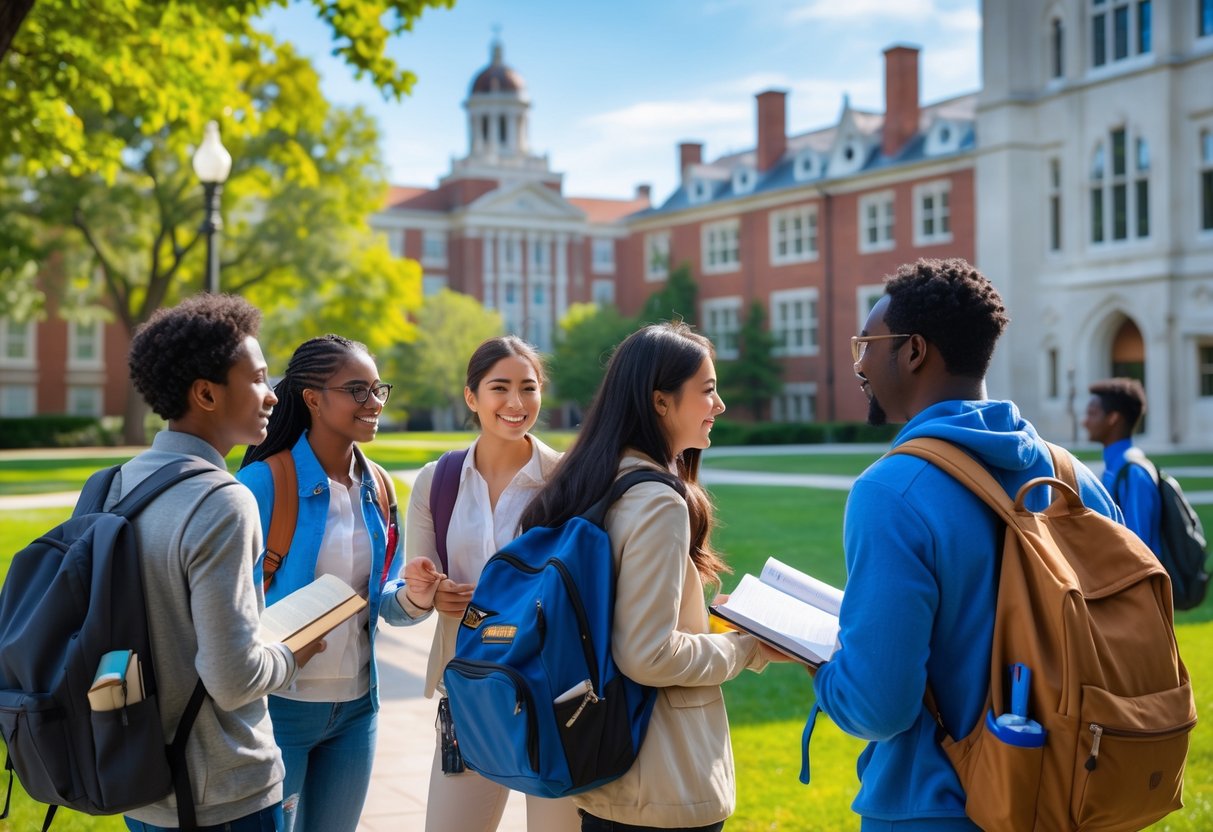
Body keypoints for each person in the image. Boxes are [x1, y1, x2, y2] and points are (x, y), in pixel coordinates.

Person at [809, 258, 1121, 831]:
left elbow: (878, 707)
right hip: (1078, 794)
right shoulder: (1076, 479)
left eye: (867, 345)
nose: (860, 365)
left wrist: (823, 671)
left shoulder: (891, 491)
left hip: (937, 808)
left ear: (914, 351)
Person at [518, 322, 781, 832]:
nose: (719, 404)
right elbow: (648, 653)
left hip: (608, 771)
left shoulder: (594, 479)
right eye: (707, 390)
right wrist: (745, 648)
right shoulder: (657, 500)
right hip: (664, 779)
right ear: (661, 402)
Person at [120, 294, 325, 832]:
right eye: (258, 379)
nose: (273, 397)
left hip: (136, 779)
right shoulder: (221, 501)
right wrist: (291, 652)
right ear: (207, 393)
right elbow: (233, 679)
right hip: (223, 791)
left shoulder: (116, 483)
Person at [236, 334, 440, 832]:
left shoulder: (380, 487)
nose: (374, 404)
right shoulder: (262, 484)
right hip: (278, 706)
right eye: (357, 390)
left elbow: (383, 602)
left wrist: (414, 594)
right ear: (312, 398)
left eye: (378, 390)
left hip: (356, 709)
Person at [405, 335, 578, 832]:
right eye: (499, 388)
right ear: (471, 397)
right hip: (470, 691)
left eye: (529, 388)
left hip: (552, 692)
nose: (516, 404)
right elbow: (414, 592)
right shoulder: (436, 481)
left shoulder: (568, 481)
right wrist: (427, 591)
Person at [1083, 377, 1161, 555]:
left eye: (1092, 413)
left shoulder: (1133, 472)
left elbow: (1138, 549)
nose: (1085, 422)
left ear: (1113, 418)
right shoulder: (1116, 466)